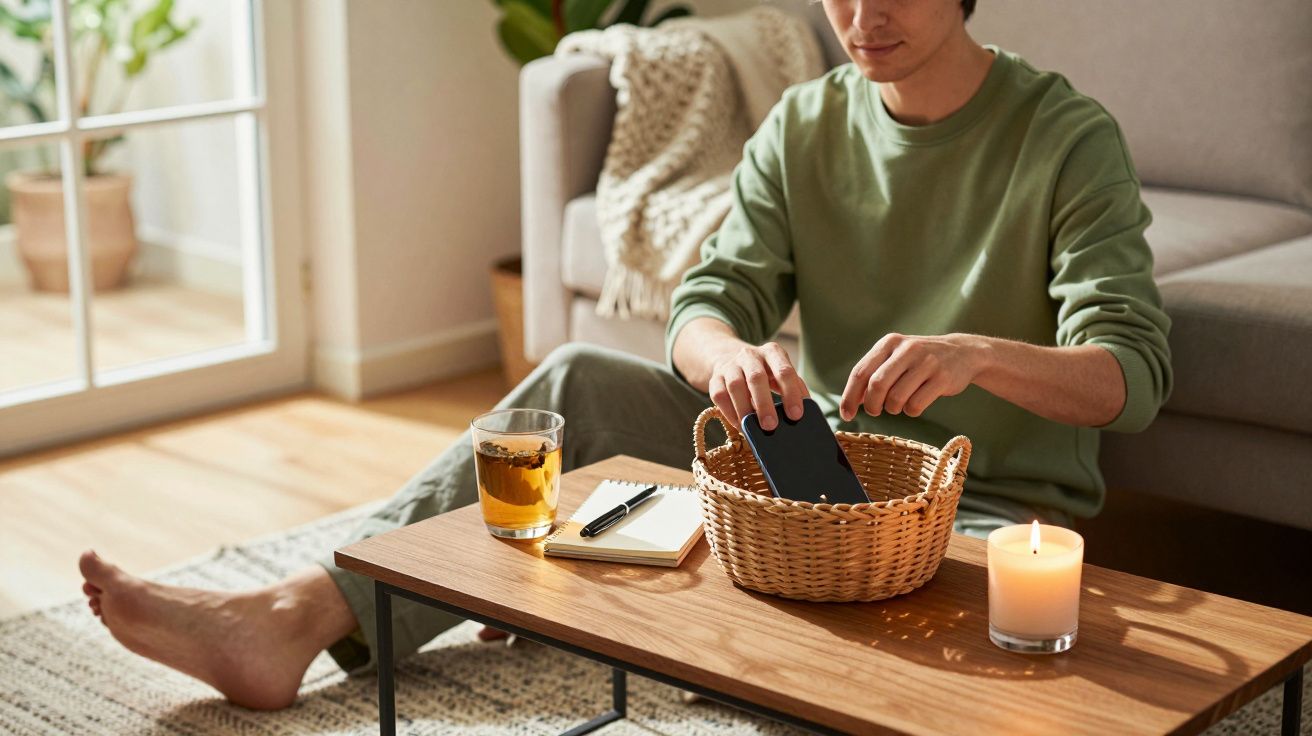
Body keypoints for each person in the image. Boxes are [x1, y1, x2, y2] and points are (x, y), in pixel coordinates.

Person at [78, 0, 1170, 710]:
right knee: (573, 381)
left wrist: (976, 354)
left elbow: (1131, 378)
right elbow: (704, 302)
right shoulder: (804, 125)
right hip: (818, 474)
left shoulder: (1064, 137)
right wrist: (728, 356)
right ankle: (294, 617)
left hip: (974, 515)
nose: (859, 13)